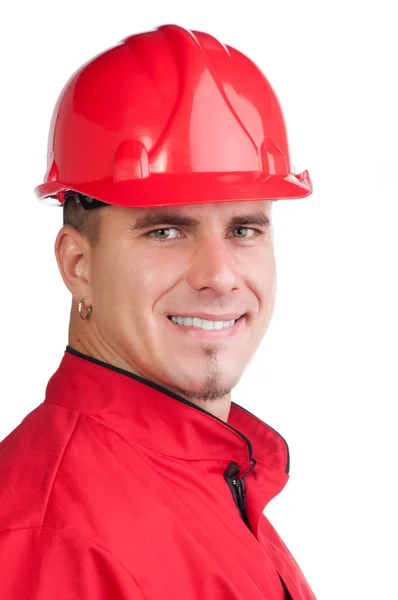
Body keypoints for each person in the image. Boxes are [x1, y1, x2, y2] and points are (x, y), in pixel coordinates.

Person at [0, 24, 316, 599]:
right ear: (78, 264)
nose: (218, 274)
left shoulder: (208, 480)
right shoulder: (58, 538)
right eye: (166, 230)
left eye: (244, 229)